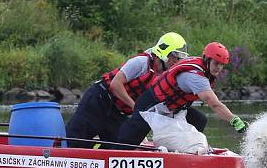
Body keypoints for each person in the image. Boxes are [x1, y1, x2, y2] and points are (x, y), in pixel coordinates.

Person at [65, 32, 199, 148]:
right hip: (99, 100)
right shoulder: (141, 62)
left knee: (121, 145)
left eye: (181, 58)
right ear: (164, 53)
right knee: (75, 140)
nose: (178, 61)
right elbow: (115, 85)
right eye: (176, 56)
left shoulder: (164, 77)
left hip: (117, 113)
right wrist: (136, 108)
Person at [115, 42, 248, 151]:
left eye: (222, 65)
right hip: (150, 106)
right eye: (216, 63)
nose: (219, 68)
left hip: (171, 108)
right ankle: (113, 153)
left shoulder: (202, 69)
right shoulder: (196, 76)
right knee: (128, 142)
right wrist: (234, 120)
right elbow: (214, 103)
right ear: (206, 59)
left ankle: (185, 151)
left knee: (199, 119)